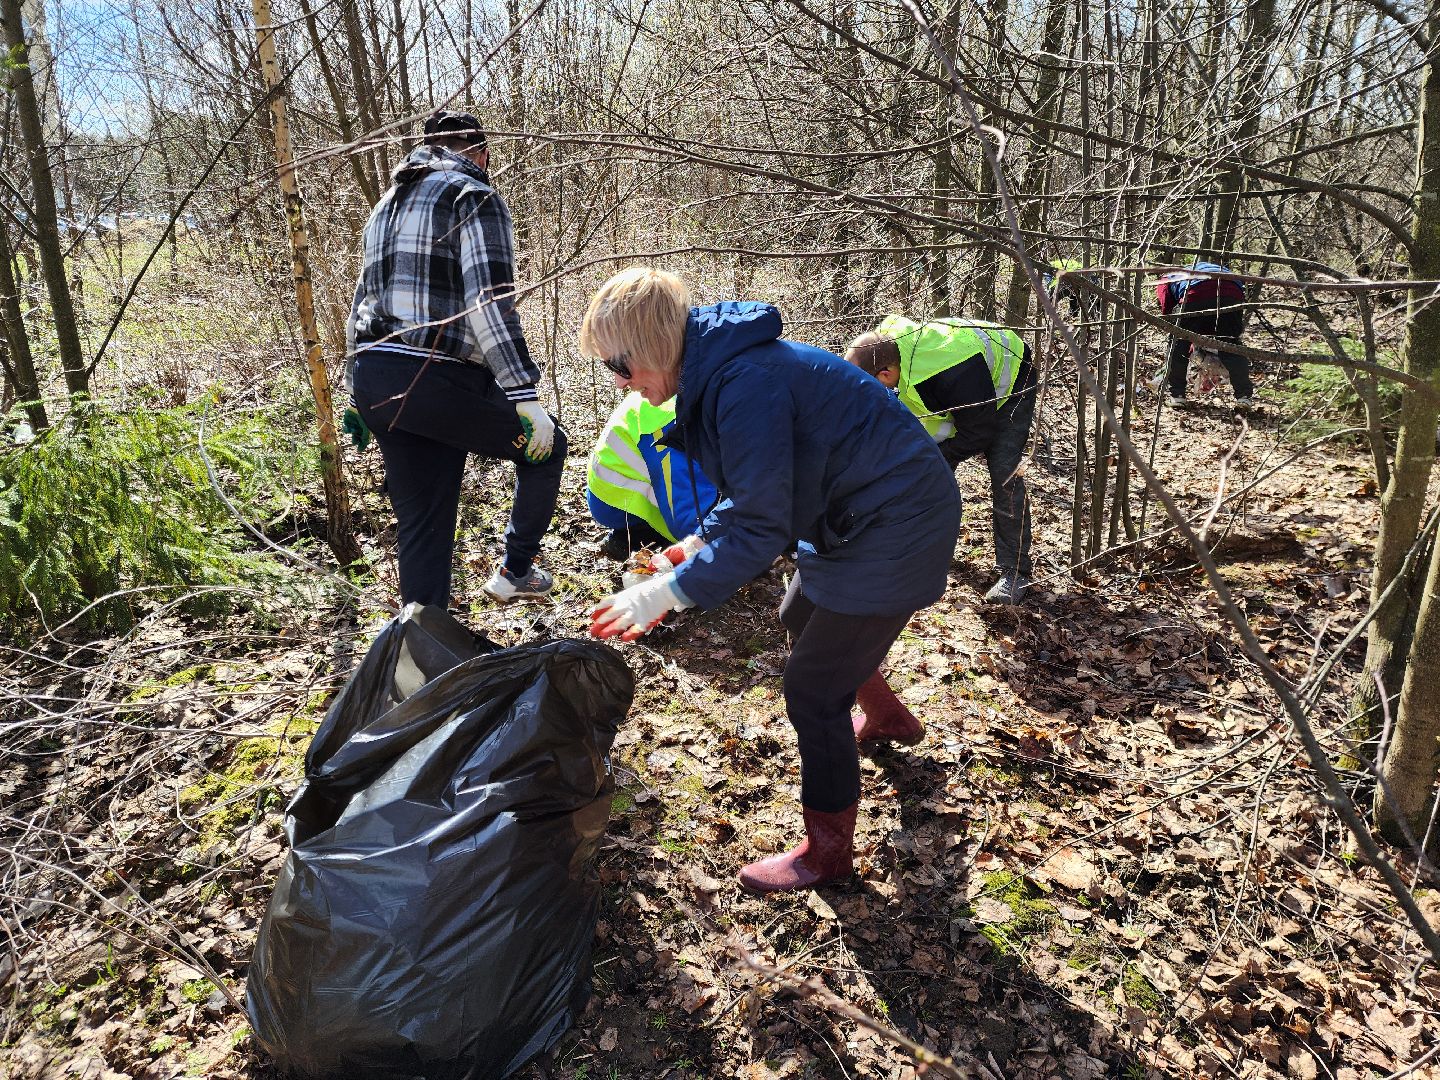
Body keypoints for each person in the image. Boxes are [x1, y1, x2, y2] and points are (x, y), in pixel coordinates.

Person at [582, 268, 960, 895]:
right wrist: (695, 546)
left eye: (621, 366)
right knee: (799, 619)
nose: (621, 383)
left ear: (651, 345)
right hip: (857, 518)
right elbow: (761, 493)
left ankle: (827, 854)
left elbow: (762, 526)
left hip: (895, 526)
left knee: (813, 693)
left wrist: (664, 595)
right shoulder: (724, 372)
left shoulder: (742, 383)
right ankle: (890, 718)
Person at [346, 109, 565, 607]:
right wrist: (524, 396)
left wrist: (354, 391)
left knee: (424, 523)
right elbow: (488, 304)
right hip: (433, 375)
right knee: (546, 448)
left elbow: (361, 300)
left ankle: (423, 655)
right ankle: (516, 571)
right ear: (481, 153)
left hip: (378, 379)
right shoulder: (474, 196)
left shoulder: (386, 204)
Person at [845, 317, 1037, 606]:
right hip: (959, 392)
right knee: (923, 466)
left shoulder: (949, 369)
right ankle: (926, 548)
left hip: (1009, 383)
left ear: (885, 374)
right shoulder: (882, 348)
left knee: (1004, 472)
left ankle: (1016, 571)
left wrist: (941, 457)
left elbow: (979, 432)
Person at [586, 391, 717, 561]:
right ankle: (631, 538)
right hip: (617, 503)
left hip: (616, 486)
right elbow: (687, 519)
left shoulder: (681, 389)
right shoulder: (669, 428)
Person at [1156, 260, 1254, 408]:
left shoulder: (1168, 278)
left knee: (1178, 344)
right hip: (1232, 294)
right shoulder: (1217, 268)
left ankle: (1177, 396)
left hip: (1196, 294)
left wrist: (1183, 334)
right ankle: (1244, 396)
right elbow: (1240, 288)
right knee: (1230, 345)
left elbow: (1167, 310)